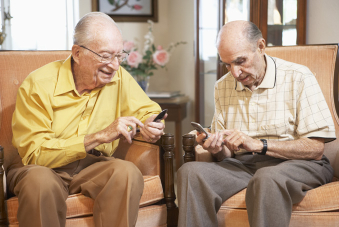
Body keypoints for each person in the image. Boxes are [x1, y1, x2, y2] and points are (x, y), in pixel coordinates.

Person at [8, 12, 166, 227]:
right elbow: (35, 154)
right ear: (77, 53)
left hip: (92, 165)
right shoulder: (38, 84)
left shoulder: (118, 77)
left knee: (126, 173)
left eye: (120, 56)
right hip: (40, 167)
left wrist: (151, 123)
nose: (115, 66)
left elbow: (148, 110)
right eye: (105, 56)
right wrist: (99, 136)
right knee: (39, 183)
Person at [177, 20, 336, 227]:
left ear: (260, 47)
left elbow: (315, 148)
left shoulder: (299, 77)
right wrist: (217, 148)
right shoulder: (222, 86)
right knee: (190, 172)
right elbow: (227, 156)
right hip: (243, 166)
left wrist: (259, 144)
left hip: (299, 165)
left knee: (266, 177)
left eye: (240, 61)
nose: (234, 72)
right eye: (227, 64)